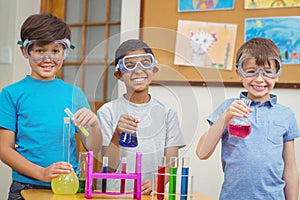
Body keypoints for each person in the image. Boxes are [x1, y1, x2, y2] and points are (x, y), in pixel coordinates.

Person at [0, 13, 102, 200]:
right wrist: (41, 173)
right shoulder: (11, 94)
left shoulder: (75, 94)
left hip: (69, 185)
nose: (48, 59)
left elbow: (92, 147)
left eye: (56, 51)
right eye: (39, 51)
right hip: (26, 186)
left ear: (65, 51)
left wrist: (94, 125)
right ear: (24, 51)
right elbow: (4, 149)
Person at [196, 37, 300, 200]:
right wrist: (226, 117)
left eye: (267, 72)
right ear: (239, 73)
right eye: (251, 72)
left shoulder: (285, 115)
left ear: (277, 74)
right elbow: (202, 153)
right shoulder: (229, 108)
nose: (259, 79)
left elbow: (290, 168)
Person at [97, 39, 186, 194]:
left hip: (149, 193)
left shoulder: (167, 112)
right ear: (118, 74)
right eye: (129, 66)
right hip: (114, 194)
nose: (138, 70)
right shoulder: (107, 112)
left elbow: (171, 161)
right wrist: (117, 134)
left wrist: (157, 183)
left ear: (154, 69)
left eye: (145, 63)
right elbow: (108, 167)